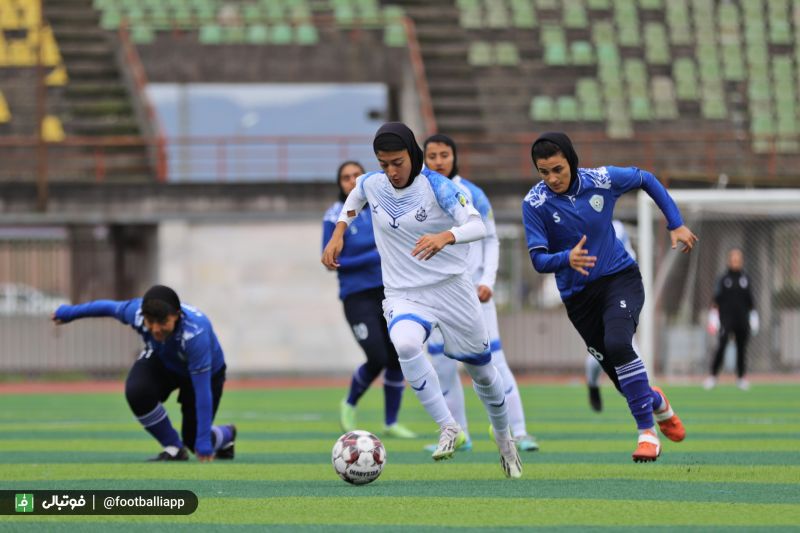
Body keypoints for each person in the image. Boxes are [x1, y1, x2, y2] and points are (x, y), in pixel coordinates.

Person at [322, 122, 522, 478]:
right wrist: (338, 233)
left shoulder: (438, 186)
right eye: (384, 163)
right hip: (404, 293)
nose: (391, 171)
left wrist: (446, 236)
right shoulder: (373, 183)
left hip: (452, 289)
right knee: (405, 343)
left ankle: (505, 440)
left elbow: (477, 226)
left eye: (397, 162)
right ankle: (449, 427)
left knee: (483, 373)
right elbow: (354, 198)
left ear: (412, 156)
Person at [522, 132, 697, 462]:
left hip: (620, 279)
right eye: (543, 172)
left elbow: (645, 178)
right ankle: (657, 402)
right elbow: (538, 259)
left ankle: (647, 434)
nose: (552, 179)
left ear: (571, 161)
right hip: (578, 298)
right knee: (623, 382)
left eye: (557, 169)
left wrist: (676, 223)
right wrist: (565, 259)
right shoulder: (534, 204)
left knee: (619, 344)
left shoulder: (601, 180)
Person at [422, 133, 539, 453]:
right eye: (431, 156)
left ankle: (519, 431)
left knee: (494, 362)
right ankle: (458, 434)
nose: (438, 161)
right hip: (434, 295)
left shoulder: (472, 193)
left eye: (444, 154)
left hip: (474, 293)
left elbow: (490, 238)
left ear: (454, 156)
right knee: (443, 367)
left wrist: (487, 279)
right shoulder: (417, 194)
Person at [52, 285, 236, 462]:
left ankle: (226, 434)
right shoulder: (137, 313)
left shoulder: (195, 334)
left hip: (205, 373)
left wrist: (203, 441)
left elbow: (202, 391)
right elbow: (107, 307)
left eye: (162, 322)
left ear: (177, 316)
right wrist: (69, 313)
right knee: (138, 391)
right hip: (164, 359)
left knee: (194, 439)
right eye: (151, 322)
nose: (155, 329)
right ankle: (173, 448)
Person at [322, 160, 416, 438]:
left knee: (398, 355)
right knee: (376, 356)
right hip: (356, 296)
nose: (351, 181)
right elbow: (329, 260)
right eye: (345, 177)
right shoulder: (334, 216)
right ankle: (349, 403)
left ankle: (391, 422)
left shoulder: (380, 208)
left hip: (389, 291)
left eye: (356, 176)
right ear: (339, 183)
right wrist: (374, 255)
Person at [586, 219, 638, 412]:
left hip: (621, 296)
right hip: (595, 299)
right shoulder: (582, 226)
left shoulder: (619, 228)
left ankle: (645, 416)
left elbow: (631, 259)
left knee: (627, 347)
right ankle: (593, 385)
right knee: (597, 355)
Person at [704, 248, 757, 391]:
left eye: (738, 259)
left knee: (741, 349)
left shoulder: (745, 279)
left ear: (741, 261)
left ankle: (741, 377)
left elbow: (750, 300)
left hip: (742, 320)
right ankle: (713, 376)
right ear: (729, 261)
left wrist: (753, 316)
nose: (736, 262)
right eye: (733, 259)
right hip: (726, 320)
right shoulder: (723, 279)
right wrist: (713, 318)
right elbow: (716, 300)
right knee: (721, 346)